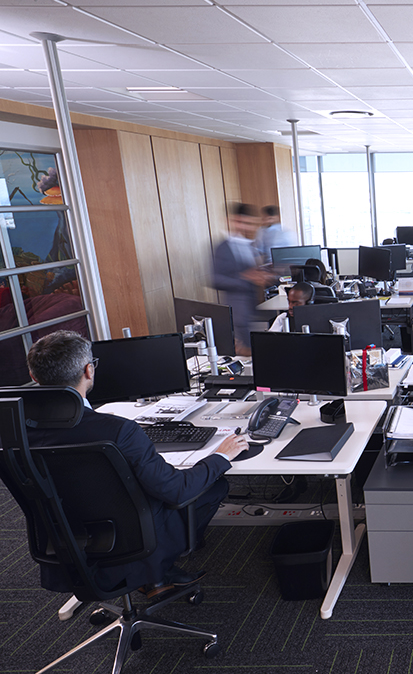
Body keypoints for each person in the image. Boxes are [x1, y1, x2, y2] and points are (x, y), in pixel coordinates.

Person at [23, 331, 249, 598]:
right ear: (88, 370)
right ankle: (154, 569)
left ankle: (147, 573)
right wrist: (221, 456)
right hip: (133, 539)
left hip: (61, 538)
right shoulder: (117, 430)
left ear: (34, 377)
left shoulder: (16, 432)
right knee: (215, 486)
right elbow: (176, 490)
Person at [212, 203, 275, 355]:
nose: (246, 228)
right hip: (238, 312)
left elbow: (251, 271)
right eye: (242, 222)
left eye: (250, 224)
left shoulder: (250, 245)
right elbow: (216, 279)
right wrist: (245, 278)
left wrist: (264, 274)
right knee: (246, 354)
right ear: (231, 221)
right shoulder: (223, 247)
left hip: (253, 308)